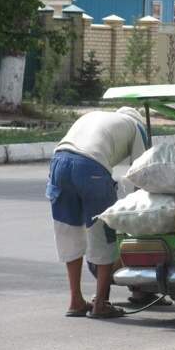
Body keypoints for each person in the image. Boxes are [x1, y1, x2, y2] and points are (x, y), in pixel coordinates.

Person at [46, 107, 148, 318]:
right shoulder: (136, 127)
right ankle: (100, 303)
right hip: (90, 167)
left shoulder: (97, 116)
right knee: (104, 234)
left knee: (69, 232)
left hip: (58, 162)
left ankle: (75, 300)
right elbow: (141, 173)